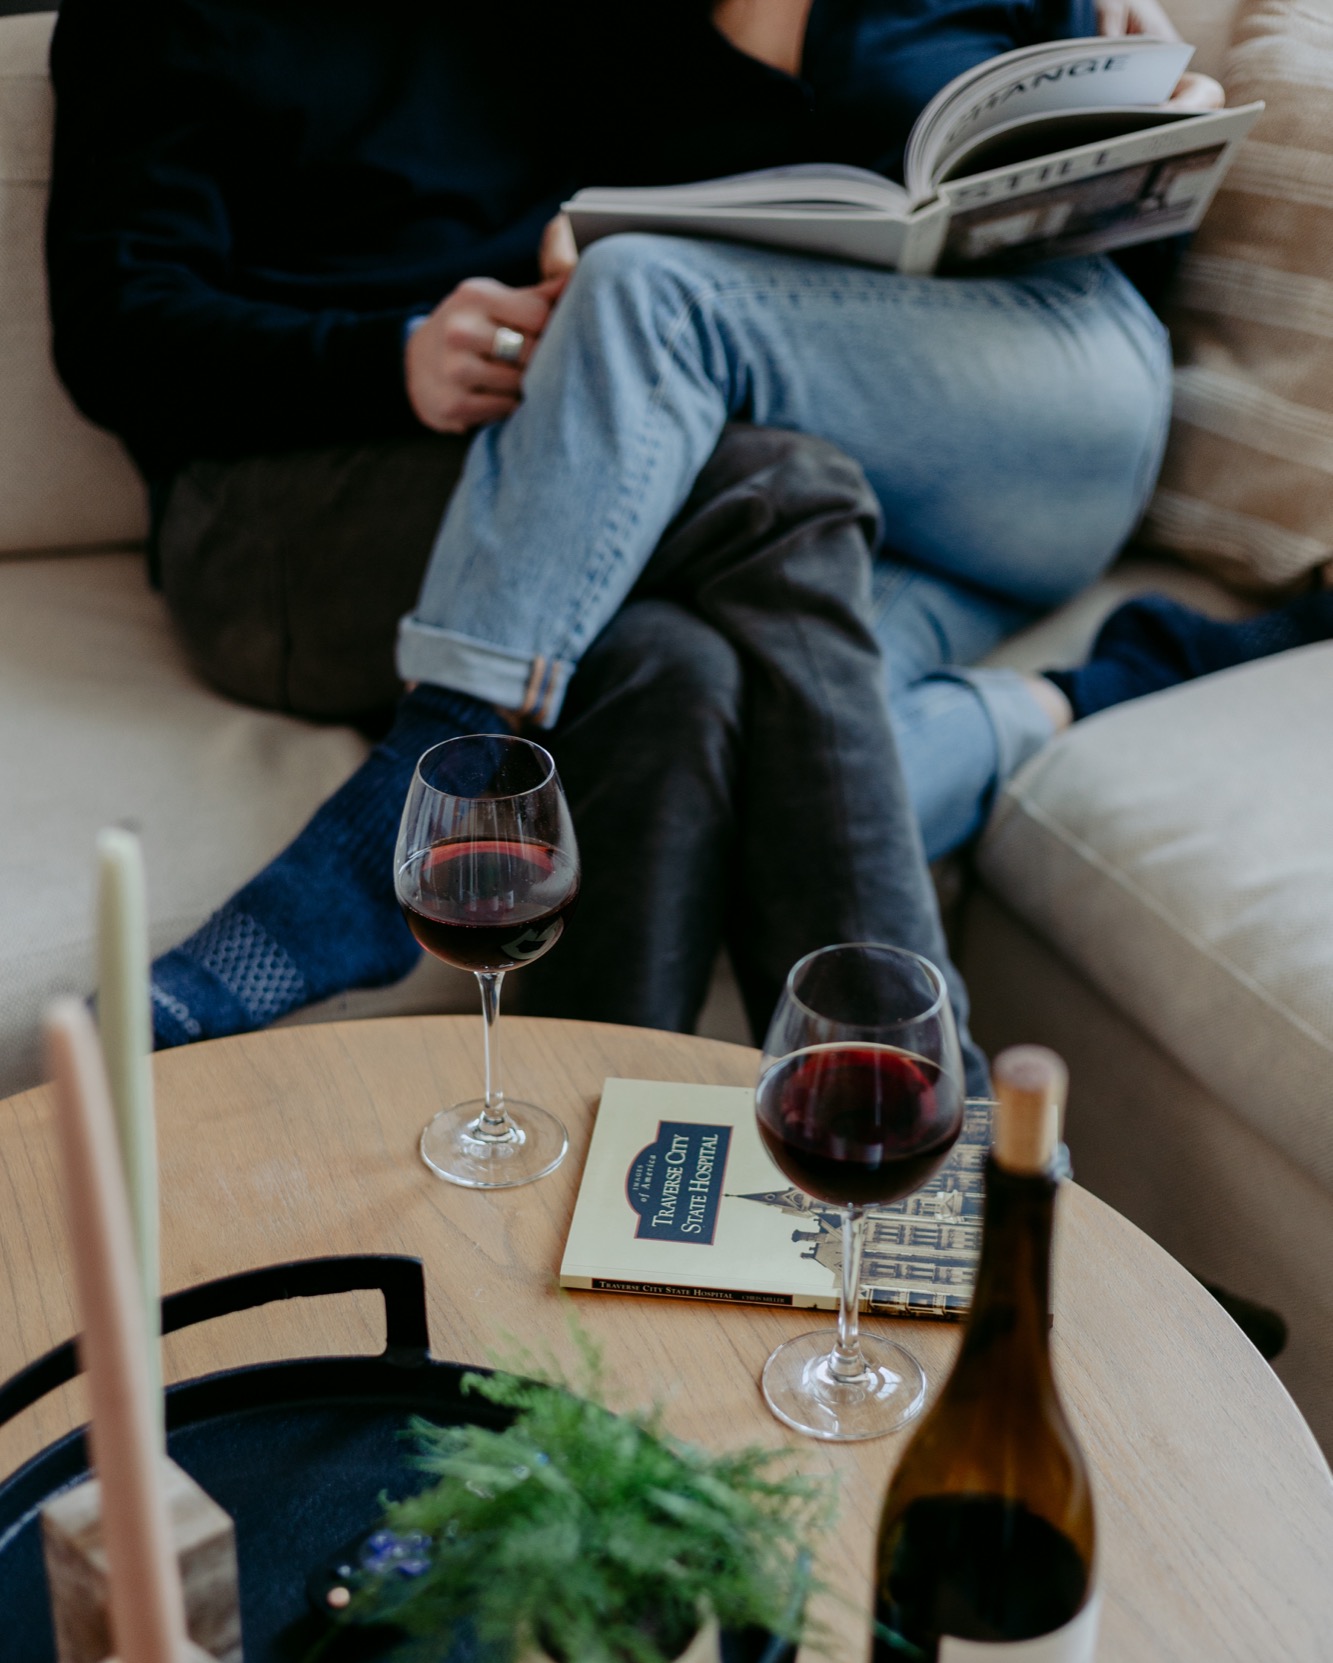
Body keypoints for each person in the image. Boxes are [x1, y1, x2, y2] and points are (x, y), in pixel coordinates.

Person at [45, 0, 1224, 1061]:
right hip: (283, 520)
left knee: (685, 669)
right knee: (778, 489)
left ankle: (624, 1149)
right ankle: (918, 1106)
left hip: (548, 482)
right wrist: (388, 357)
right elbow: (112, 335)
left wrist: (1104, 96)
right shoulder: (169, 13)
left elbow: (713, 182)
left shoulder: (553, 20)